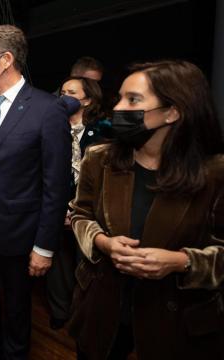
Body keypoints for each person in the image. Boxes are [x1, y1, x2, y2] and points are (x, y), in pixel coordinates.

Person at [68, 60, 224, 359]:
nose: (119, 109)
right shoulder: (99, 159)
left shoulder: (214, 174)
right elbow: (80, 215)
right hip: (103, 312)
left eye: (134, 100)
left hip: (177, 327)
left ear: (172, 111)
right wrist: (104, 243)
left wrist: (181, 261)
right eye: (120, 98)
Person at [0, 25, 71, 360]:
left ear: (6, 60)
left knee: (18, 306)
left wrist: (45, 247)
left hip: (20, 231)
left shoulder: (48, 110)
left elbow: (56, 186)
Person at [46, 76, 105, 329]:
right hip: (55, 208)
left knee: (87, 265)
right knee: (57, 264)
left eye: (72, 92)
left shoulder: (102, 131)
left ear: (88, 99)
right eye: (62, 92)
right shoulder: (50, 127)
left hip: (89, 211)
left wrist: (77, 210)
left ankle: (85, 314)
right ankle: (60, 312)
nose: (64, 97)